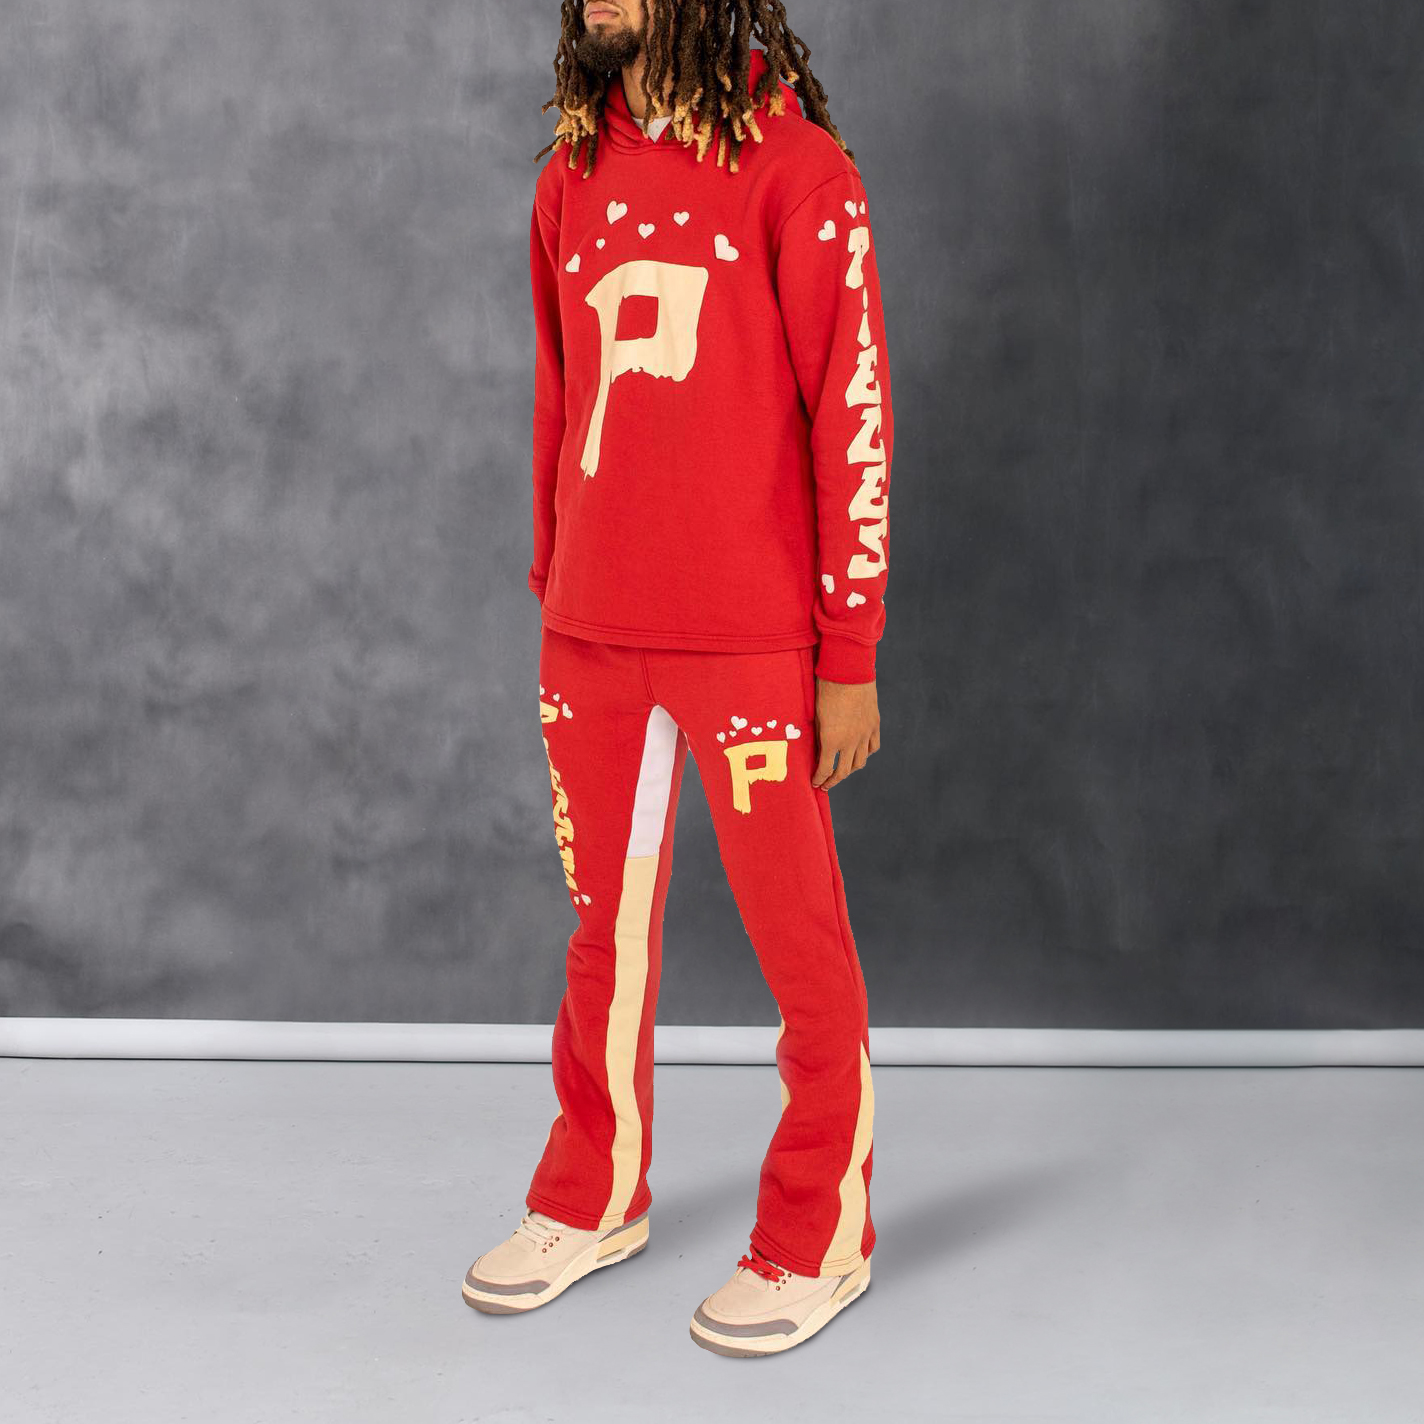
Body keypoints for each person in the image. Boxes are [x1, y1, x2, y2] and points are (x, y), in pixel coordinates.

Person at [462, 0, 894, 1357]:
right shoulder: (571, 174)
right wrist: (559, 584)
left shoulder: (799, 172)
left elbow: (854, 413)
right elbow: (557, 394)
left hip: (752, 640)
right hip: (593, 634)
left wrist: (848, 652)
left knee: (798, 945)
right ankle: (591, 1194)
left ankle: (821, 1232)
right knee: (605, 934)